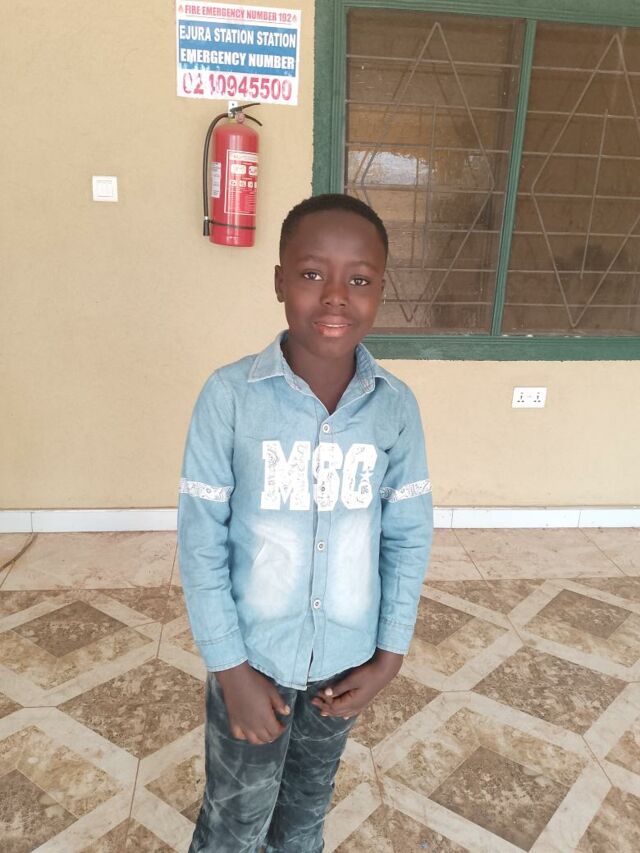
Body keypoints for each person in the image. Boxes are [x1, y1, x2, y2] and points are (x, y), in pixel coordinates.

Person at [178, 193, 433, 853]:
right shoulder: (230, 397)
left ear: (381, 290)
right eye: (313, 273)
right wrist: (231, 669)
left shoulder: (395, 408)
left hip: (345, 667)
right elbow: (201, 541)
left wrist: (389, 656)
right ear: (279, 281)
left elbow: (407, 537)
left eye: (360, 279)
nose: (336, 296)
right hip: (254, 661)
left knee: (305, 815)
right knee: (235, 822)